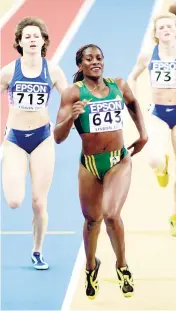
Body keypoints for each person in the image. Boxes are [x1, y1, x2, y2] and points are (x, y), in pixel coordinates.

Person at [54, 44, 148, 299]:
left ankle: (122, 265)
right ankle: (91, 266)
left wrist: (143, 134)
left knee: (110, 214)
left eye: (99, 57)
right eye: (89, 58)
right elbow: (58, 137)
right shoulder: (73, 93)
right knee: (92, 220)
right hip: (89, 164)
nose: (95, 61)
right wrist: (71, 117)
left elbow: (133, 103)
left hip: (119, 160)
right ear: (80, 65)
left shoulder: (118, 85)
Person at [0, 17, 68, 269]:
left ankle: (37, 251)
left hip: (42, 138)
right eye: (26, 36)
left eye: (35, 36)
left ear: (43, 41)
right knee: (14, 200)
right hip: (15, 139)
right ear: (19, 42)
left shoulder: (54, 71)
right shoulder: (8, 71)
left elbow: (70, 99)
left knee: (39, 202)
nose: (31, 39)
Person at [128, 12, 176, 237]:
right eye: (160, 27)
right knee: (154, 159)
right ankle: (161, 168)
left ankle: (175, 215)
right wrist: (133, 101)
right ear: (155, 33)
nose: (165, 30)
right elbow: (132, 77)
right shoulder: (147, 56)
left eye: (169, 26)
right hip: (158, 113)